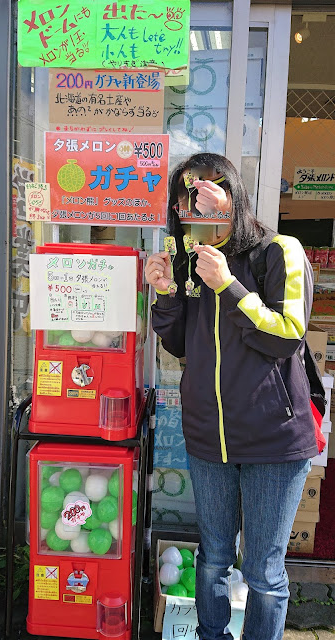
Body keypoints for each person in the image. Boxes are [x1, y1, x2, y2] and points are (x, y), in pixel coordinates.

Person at [145, 153, 318, 640]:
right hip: (208, 437)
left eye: (205, 196)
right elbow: (180, 345)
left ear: (233, 196)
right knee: (214, 555)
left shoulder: (277, 250)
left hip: (274, 441)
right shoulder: (189, 262)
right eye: (185, 202)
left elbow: (287, 337)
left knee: (263, 571)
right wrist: (166, 294)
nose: (194, 211)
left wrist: (232, 287)